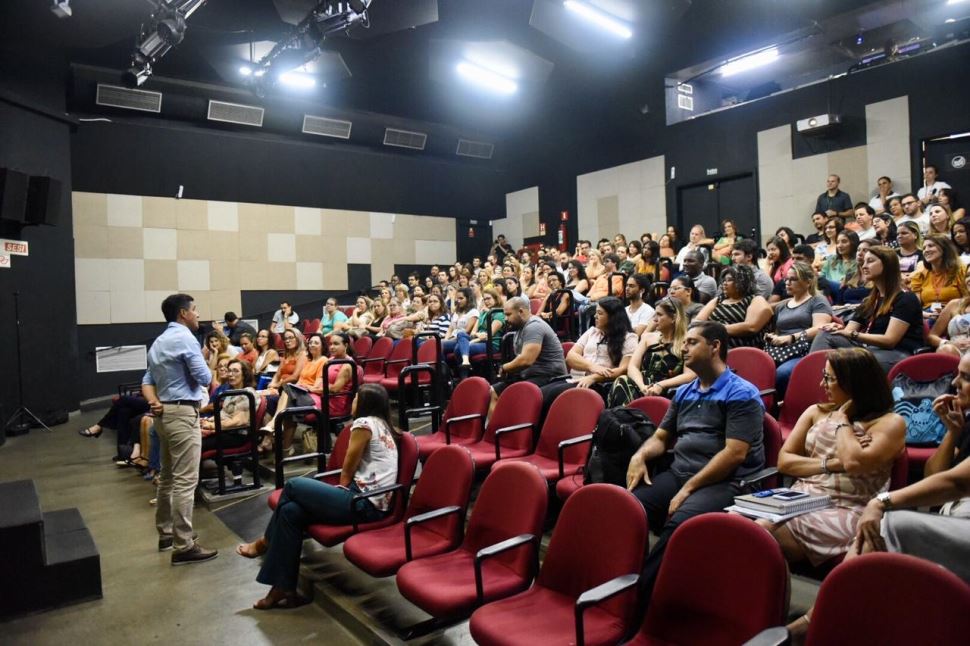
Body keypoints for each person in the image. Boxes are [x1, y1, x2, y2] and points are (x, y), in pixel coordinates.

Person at [626, 321, 765, 597]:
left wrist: (688, 489)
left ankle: (642, 601)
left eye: (692, 342)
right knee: (628, 507)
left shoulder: (742, 393)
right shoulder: (684, 392)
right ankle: (620, 578)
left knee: (680, 526)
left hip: (726, 482)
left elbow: (734, 453)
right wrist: (639, 455)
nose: (683, 348)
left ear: (715, 347)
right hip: (681, 473)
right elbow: (661, 437)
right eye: (685, 342)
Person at [237, 384, 400, 609]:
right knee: (290, 511)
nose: (351, 402)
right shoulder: (382, 424)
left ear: (364, 404)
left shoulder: (364, 424)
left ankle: (264, 542)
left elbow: (347, 471)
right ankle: (283, 589)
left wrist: (335, 497)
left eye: (355, 399)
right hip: (368, 499)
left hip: (363, 502)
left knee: (293, 486)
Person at [754, 348, 904, 567]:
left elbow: (853, 463)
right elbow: (785, 462)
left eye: (829, 379)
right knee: (733, 525)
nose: (822, 385)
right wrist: (832, 464)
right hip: (800, 495)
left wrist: (843, 420)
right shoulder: (815, 411)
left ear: (854, 383)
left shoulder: (889, 422)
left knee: (760, 534)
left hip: (848, 505)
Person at [141, 293, 217, 564]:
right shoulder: (185, 338)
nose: (198, 314)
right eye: (194, 310)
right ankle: (184, 545)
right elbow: (205, 378)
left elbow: (147, 380)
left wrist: (153, 401)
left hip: (163, 416)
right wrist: (209, 361)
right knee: (186, 480)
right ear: (183, 314)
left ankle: (166, 533)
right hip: (183, 413)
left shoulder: (159, 342)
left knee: (168, 477)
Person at [810, 246, 924, 373]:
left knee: (848, 364)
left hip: (897, 353)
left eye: (870, 261)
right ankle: (816, 382)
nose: (864, 266)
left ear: (887, 265)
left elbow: (890, 341)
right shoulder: (869, 301)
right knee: (826, 334)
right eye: (864, 262)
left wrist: (853, 335)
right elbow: (849, 331)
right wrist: (838, 330)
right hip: (870, 349)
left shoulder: (906, 299)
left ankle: (821, 383)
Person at [540, 297, 637, 404]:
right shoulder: (591, 332)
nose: (595, 316)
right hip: (576, 378)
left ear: (613, 317)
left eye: (600, 313)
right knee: (539, 393)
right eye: (596, 312)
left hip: (600, 384)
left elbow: (623, 369)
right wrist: (592, 367)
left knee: (552, 396)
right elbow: (571, 357)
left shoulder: (629, 337)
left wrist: (593, 378)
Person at [607, 298, 693, 407]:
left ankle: (629, 419)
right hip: (642, 384)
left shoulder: (687, 341)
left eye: (659, 315)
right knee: (622, 381)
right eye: (654, 315)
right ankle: (625, 419)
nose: (654, 320)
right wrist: (642, 386)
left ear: (674, 318)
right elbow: (632, 367)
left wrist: (660, 385)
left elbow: (690, 375)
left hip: (668, 387)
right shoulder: (648, 338)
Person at [766, 261, 834, 398]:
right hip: (781, 350)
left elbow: (820, 329)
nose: (787, 283)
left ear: (808, 282)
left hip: (805, 350)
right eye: (786, 279)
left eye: (793, 279)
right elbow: (779, 332)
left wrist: (792, 337)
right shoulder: (782, 306)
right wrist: (772, 337)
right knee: (758, 369)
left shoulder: (817, 300)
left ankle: (783, 406)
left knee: (782, 373)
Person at [490, 296, 567, 413]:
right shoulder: (519, 328)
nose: (505, 319)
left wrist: (504, 368)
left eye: (508, 314)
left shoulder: (534, 326)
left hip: (550, 377)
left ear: (521, 311)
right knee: (492, 392)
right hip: (531, 376)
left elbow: (526, 360)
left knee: (513, 394)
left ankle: (518, 428)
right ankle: (493, 429)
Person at [259, 333, 327, 455]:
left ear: (322, 346)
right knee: (269, 400)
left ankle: (275, 426)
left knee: (286, 391)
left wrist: (303, 386)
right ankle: (272, 440)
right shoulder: (309, 361)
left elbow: (318, 388)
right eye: (310, 342)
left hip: (311, 396)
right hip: (300, 392)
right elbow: (300, 380)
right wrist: (298, 386)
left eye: (316, 343)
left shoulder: (323, 361)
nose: (312, 345)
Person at [695, 264, 772, 349]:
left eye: (730, 280)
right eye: (724, 280)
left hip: (739, 349)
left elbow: (751, 327)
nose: (724, 283)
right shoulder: (719, 299)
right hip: (710, 345)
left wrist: (715, 329)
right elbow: (697, 321)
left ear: (743, 281)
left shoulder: (755, 299)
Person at [199, 359, 260, 455]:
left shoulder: (247, 393)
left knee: (196, 444)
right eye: (230, 371)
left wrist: (211, 426)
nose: (231, 374)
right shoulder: (231, 392)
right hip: (225, 431)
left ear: (244, 375)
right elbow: (223, 414)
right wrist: (208, 420)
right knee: (191, 437)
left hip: (236, 435)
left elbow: (239, 421)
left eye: (235, 371)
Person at [909, 234, 968, 313]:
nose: (926, 250)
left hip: (954, 313)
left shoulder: (961, 271)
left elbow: (967, 299)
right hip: (927, 314)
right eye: (924, 248)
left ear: (944, 248)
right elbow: (915, 305)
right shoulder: (920, 275)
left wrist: (946, 311)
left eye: (930, 246)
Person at [454, 289, 505, 377]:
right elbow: (473, 333)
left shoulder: (498, 314)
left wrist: (472, 341)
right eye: (484, 299)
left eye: (488, 298)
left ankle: (464, 378)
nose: (486, 301)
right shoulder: (484, 313)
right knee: (461, 334)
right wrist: (477, 335)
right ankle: (465, 363)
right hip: (479, 340)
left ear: (496, 299)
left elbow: (488, 335)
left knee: (459, 348)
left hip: (491, 344)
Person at [928, 271, 970, 356]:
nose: (969, 279)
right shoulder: (954, 304)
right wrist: (947, 343)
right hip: (954, 352)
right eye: (968, 275)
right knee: (946, 350)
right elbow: (931, 336)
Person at [818, 230, 860, 297]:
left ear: (853, 243)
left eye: (844, 241)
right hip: (827, 292)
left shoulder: (858, 261)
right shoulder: (831, 260)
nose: (839, 245)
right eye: (837, 242)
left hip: (845, 291)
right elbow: (821, 278)